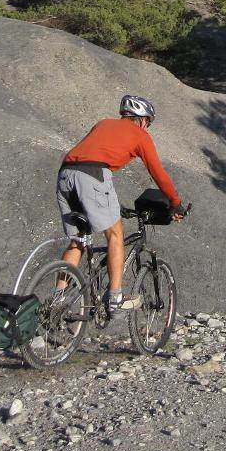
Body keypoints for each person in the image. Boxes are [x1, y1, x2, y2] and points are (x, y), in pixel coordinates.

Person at [56, 94, 186, 313]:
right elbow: (158, 174)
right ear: (143, 120)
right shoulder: (140, 135)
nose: (147, 127)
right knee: (115, 234)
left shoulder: (103, 124)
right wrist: (175, 203)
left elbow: (94, 150)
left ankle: (57, 299)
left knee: (78, 241)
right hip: (93, 174)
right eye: (148, 123)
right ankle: (115, 298)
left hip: (65, 174)